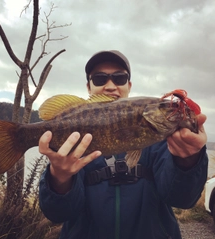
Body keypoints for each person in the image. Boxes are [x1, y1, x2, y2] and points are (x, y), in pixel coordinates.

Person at [39, 50, 208, 239]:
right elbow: (58, 214)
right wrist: (59, 179)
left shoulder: (163, 143)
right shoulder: (70, 148)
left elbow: (183, 199)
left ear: (129, 85)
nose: (110, 86)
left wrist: (189, 160)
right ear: (88, 86)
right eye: (100, 78)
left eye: (119, 78)